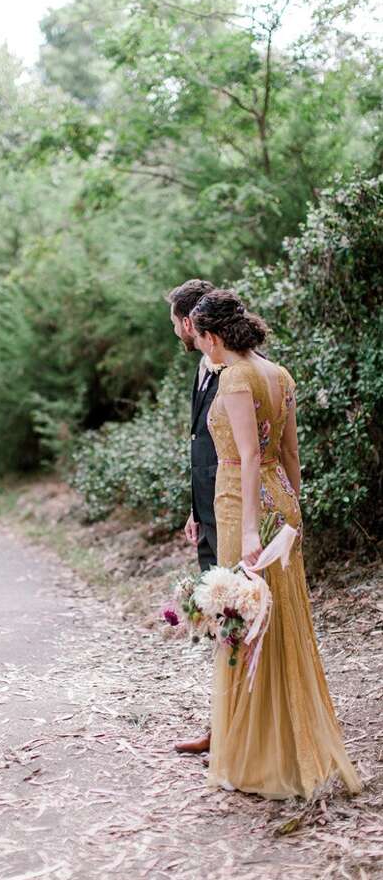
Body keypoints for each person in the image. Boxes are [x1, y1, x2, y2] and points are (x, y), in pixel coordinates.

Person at [189, 289, 361, 799]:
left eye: (200, 338)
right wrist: (293, 513)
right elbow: (290, 455)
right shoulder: (280, 374)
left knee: (247, 626)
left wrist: (247, 532)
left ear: (214, 336)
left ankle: (258, 755)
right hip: (280, 503)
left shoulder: (236, 377)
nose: (201, 347)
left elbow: (244, 456)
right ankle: (278, 742)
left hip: (247, 506)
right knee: (277, 622)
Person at [167, 279, 217, 755]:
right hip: (208, 512)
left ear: (188, 323)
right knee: (221, 619)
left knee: (232, 615)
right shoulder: (203, 368)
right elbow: (201, 445)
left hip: (230, 510)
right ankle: (221, 725)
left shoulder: (227, 369)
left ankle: (229, 730)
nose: (175, 335)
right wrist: (194, 508)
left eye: (174, 327)